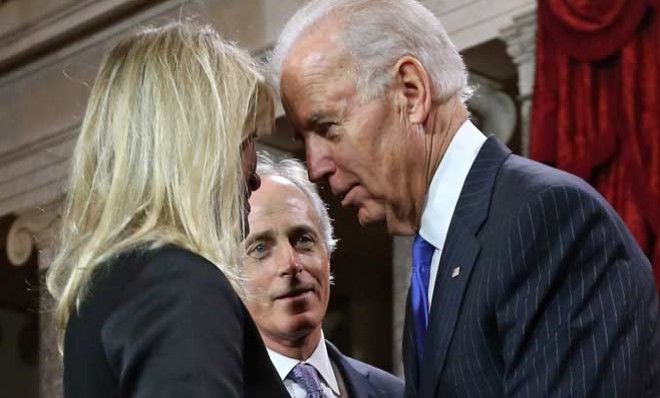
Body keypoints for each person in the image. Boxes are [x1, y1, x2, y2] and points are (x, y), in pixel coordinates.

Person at [269, 0, 660, 397]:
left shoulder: (549, 221)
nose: (315, 166)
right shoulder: (437, 260)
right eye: (305, 141)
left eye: (327, 127)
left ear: (411, 91)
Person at [45, 22, 289, 397]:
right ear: (198, 149)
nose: (256, 174)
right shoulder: (181, 288)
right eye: (247, 140)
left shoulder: (107, 289)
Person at [242, 152, 404, 398]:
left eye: (303, 239)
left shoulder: (394, 393)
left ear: (327, 254)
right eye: (260, 248)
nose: (291, 263)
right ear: (229, 276)